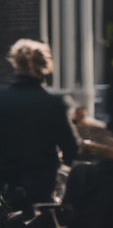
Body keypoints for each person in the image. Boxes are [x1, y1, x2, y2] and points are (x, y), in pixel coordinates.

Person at [0, 40, 80, 207]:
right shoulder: (53, 102)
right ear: (45, 65)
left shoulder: (3, 98)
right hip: (41, 178)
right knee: (44, 222)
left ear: (15, 63)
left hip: (6, 177)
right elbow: (70, 147)